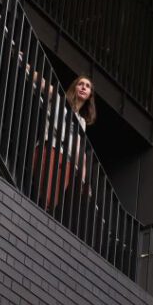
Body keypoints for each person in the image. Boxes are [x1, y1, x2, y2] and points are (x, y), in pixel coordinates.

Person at [33, 75, 97, 211]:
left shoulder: (81, 122)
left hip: (66, 162)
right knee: (40, 192)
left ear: (90, 94)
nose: (84, 87)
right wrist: (24, 61)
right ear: (75, 87)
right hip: (50, 147)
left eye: (87, 86)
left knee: (51, 202)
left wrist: (84, 181)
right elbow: (42, 82)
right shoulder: (59, 99)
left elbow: (79, 150)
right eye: (81, 84)